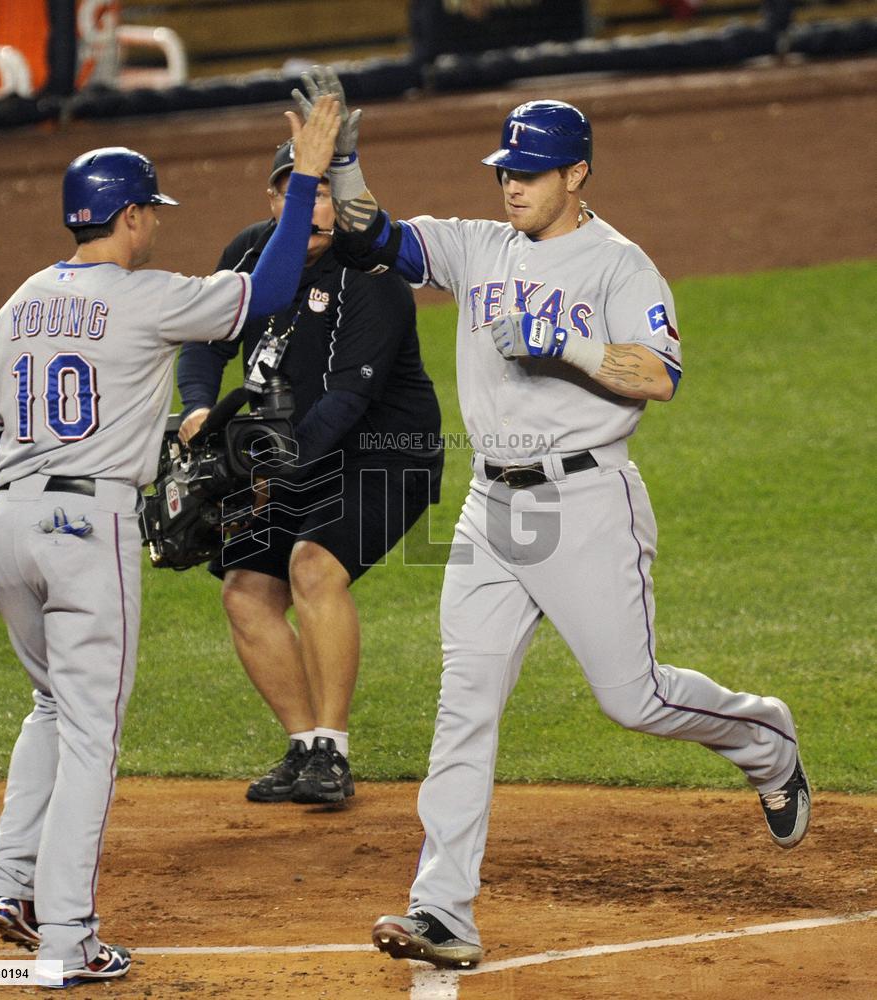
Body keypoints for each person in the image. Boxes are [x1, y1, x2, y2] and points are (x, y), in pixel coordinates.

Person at [292, 67, 811, 969]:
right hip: (491, 508)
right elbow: (382, 238)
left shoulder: (620, 264)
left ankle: (766, 739)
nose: (512, 184)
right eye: (505, 170)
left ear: (578, 175)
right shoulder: (480, 247)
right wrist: (342, 167)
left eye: (530, 172)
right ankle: (442, 909)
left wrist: (567, 344)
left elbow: (660, 376)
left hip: (585, 500)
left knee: (634, 698)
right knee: (464, 704)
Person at [0, 98, 340, 988]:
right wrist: (308, 177)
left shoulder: (17, 304)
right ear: (130, 216)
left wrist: (43, 466)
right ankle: (68, 939)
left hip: (8, 525)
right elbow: (271, 289)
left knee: (52, 706)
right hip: (86, 531)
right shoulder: (146, 297)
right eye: (151, 213)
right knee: (93, 732)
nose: (154, 226)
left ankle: (8, 882)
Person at [176, 138, 442, 806]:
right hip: (289, 450)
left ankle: (333, 749)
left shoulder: (373, 273)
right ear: (276, 200)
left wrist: (264, 471)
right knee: (245, 588)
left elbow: (345, 404)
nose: (315, 204)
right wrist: (200, 409)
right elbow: (206, 341)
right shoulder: (250, 251)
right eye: (299, 190)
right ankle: (301, 748)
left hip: (386, 451)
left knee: (313, 564)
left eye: (325, 189)